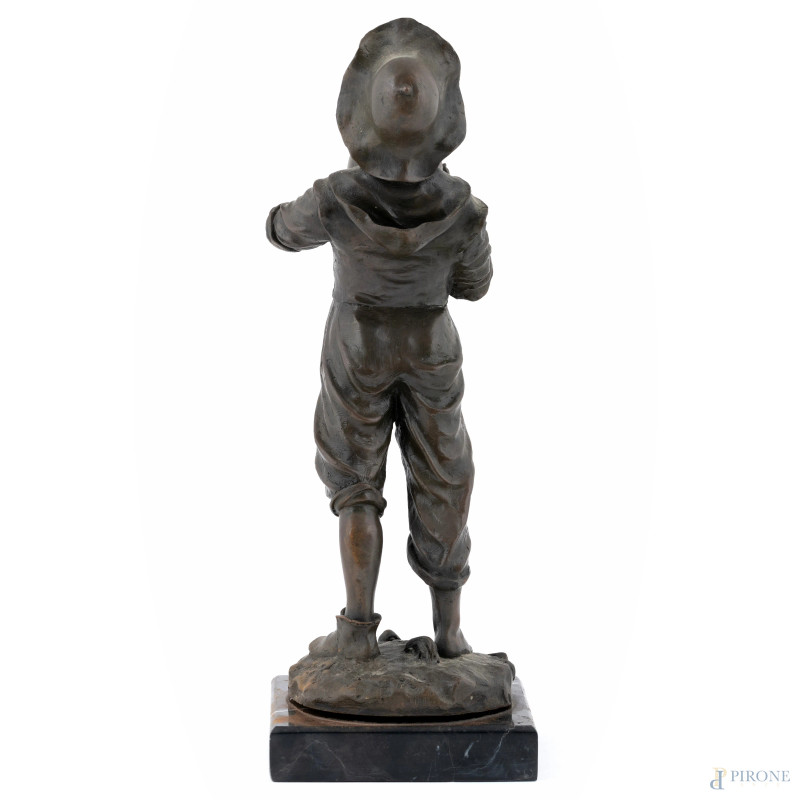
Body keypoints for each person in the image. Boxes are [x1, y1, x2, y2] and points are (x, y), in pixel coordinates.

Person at [266, 18, 492, 660]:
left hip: (357, 345)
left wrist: (278, 220)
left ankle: (358, 632)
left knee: (355, 480)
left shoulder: (335, 197)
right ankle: (449, 632)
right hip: (431, 347)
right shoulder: (465, 209)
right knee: (445, 476)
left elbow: (282, 231)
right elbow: (475, 286)